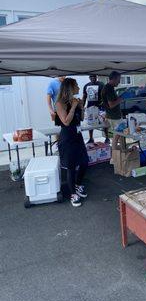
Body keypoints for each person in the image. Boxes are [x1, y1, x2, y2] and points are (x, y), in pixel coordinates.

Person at [56, 78, 89, 207]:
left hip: (77, 136)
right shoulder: (60, 103)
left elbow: (80, 119)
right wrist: (74, 106)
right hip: (67, 138)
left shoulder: (75, 101)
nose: (79, 88)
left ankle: (78, 184)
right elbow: (65, 121)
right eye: (76, 86)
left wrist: (81, 107)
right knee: (71, 167)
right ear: (70, 88)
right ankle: (72, 194)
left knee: (84, 161)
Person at [82, 74, 110, 144]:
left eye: (94, 77)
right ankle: (91, 138)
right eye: (91, 77)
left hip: (100, 107)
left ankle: (107, 138)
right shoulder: (86, 86)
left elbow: (105, 95)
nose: (93, 78)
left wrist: (105, 104)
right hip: (90, 107)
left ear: (96, 77)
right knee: (91, 124)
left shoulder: (101, 84)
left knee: (104, 122)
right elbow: (84, 97)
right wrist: (82, 106)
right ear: (89, 78)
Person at [101, 71, 123, 151]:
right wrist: (120, 100)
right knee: (117, 136)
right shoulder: (109, 88)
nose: (119, 82)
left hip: (112, 116)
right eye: (118, 80)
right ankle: (115, 157)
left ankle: (120, 153)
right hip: (114, 117)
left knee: (118, 136)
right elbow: (111, 105)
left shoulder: (107, 87)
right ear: (113, 79)